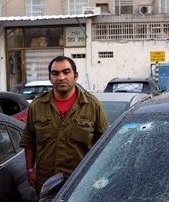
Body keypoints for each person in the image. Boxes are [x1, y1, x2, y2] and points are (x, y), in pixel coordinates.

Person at [20, 56, 108, 192]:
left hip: (80, 183)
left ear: (76, 76)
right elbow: (29, 141)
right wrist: (30, 169)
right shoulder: (37, 106)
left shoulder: (93, 106)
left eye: (66, 72)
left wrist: (98, 176)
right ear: (50, 78)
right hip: (45, 182)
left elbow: (104, 146)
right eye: (55, 73)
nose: (61, 77)